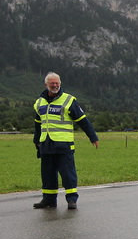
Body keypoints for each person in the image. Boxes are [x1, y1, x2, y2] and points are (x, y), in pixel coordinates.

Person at [33, 72, 99, 209]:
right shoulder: (39, 103)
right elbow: (38, 124)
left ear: (60, 84)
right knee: (47, 174)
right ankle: (49, 199)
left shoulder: (68, 100)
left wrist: (93, 137)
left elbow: (83, 120)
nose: (55, 85)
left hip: (64, 144)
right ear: (46, 85)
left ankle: (71, 200)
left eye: (57, 83)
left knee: (68, 173)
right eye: (52, 83)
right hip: (46, 144)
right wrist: (37, 141)